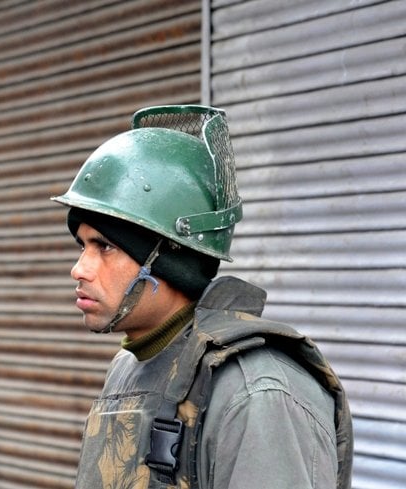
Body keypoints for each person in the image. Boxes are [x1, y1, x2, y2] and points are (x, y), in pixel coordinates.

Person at [51, 105, 353, 489]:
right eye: (82, 245)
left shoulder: (257, 393)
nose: (80, 269)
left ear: (168, 260)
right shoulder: (130, 365)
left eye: (105, 247)